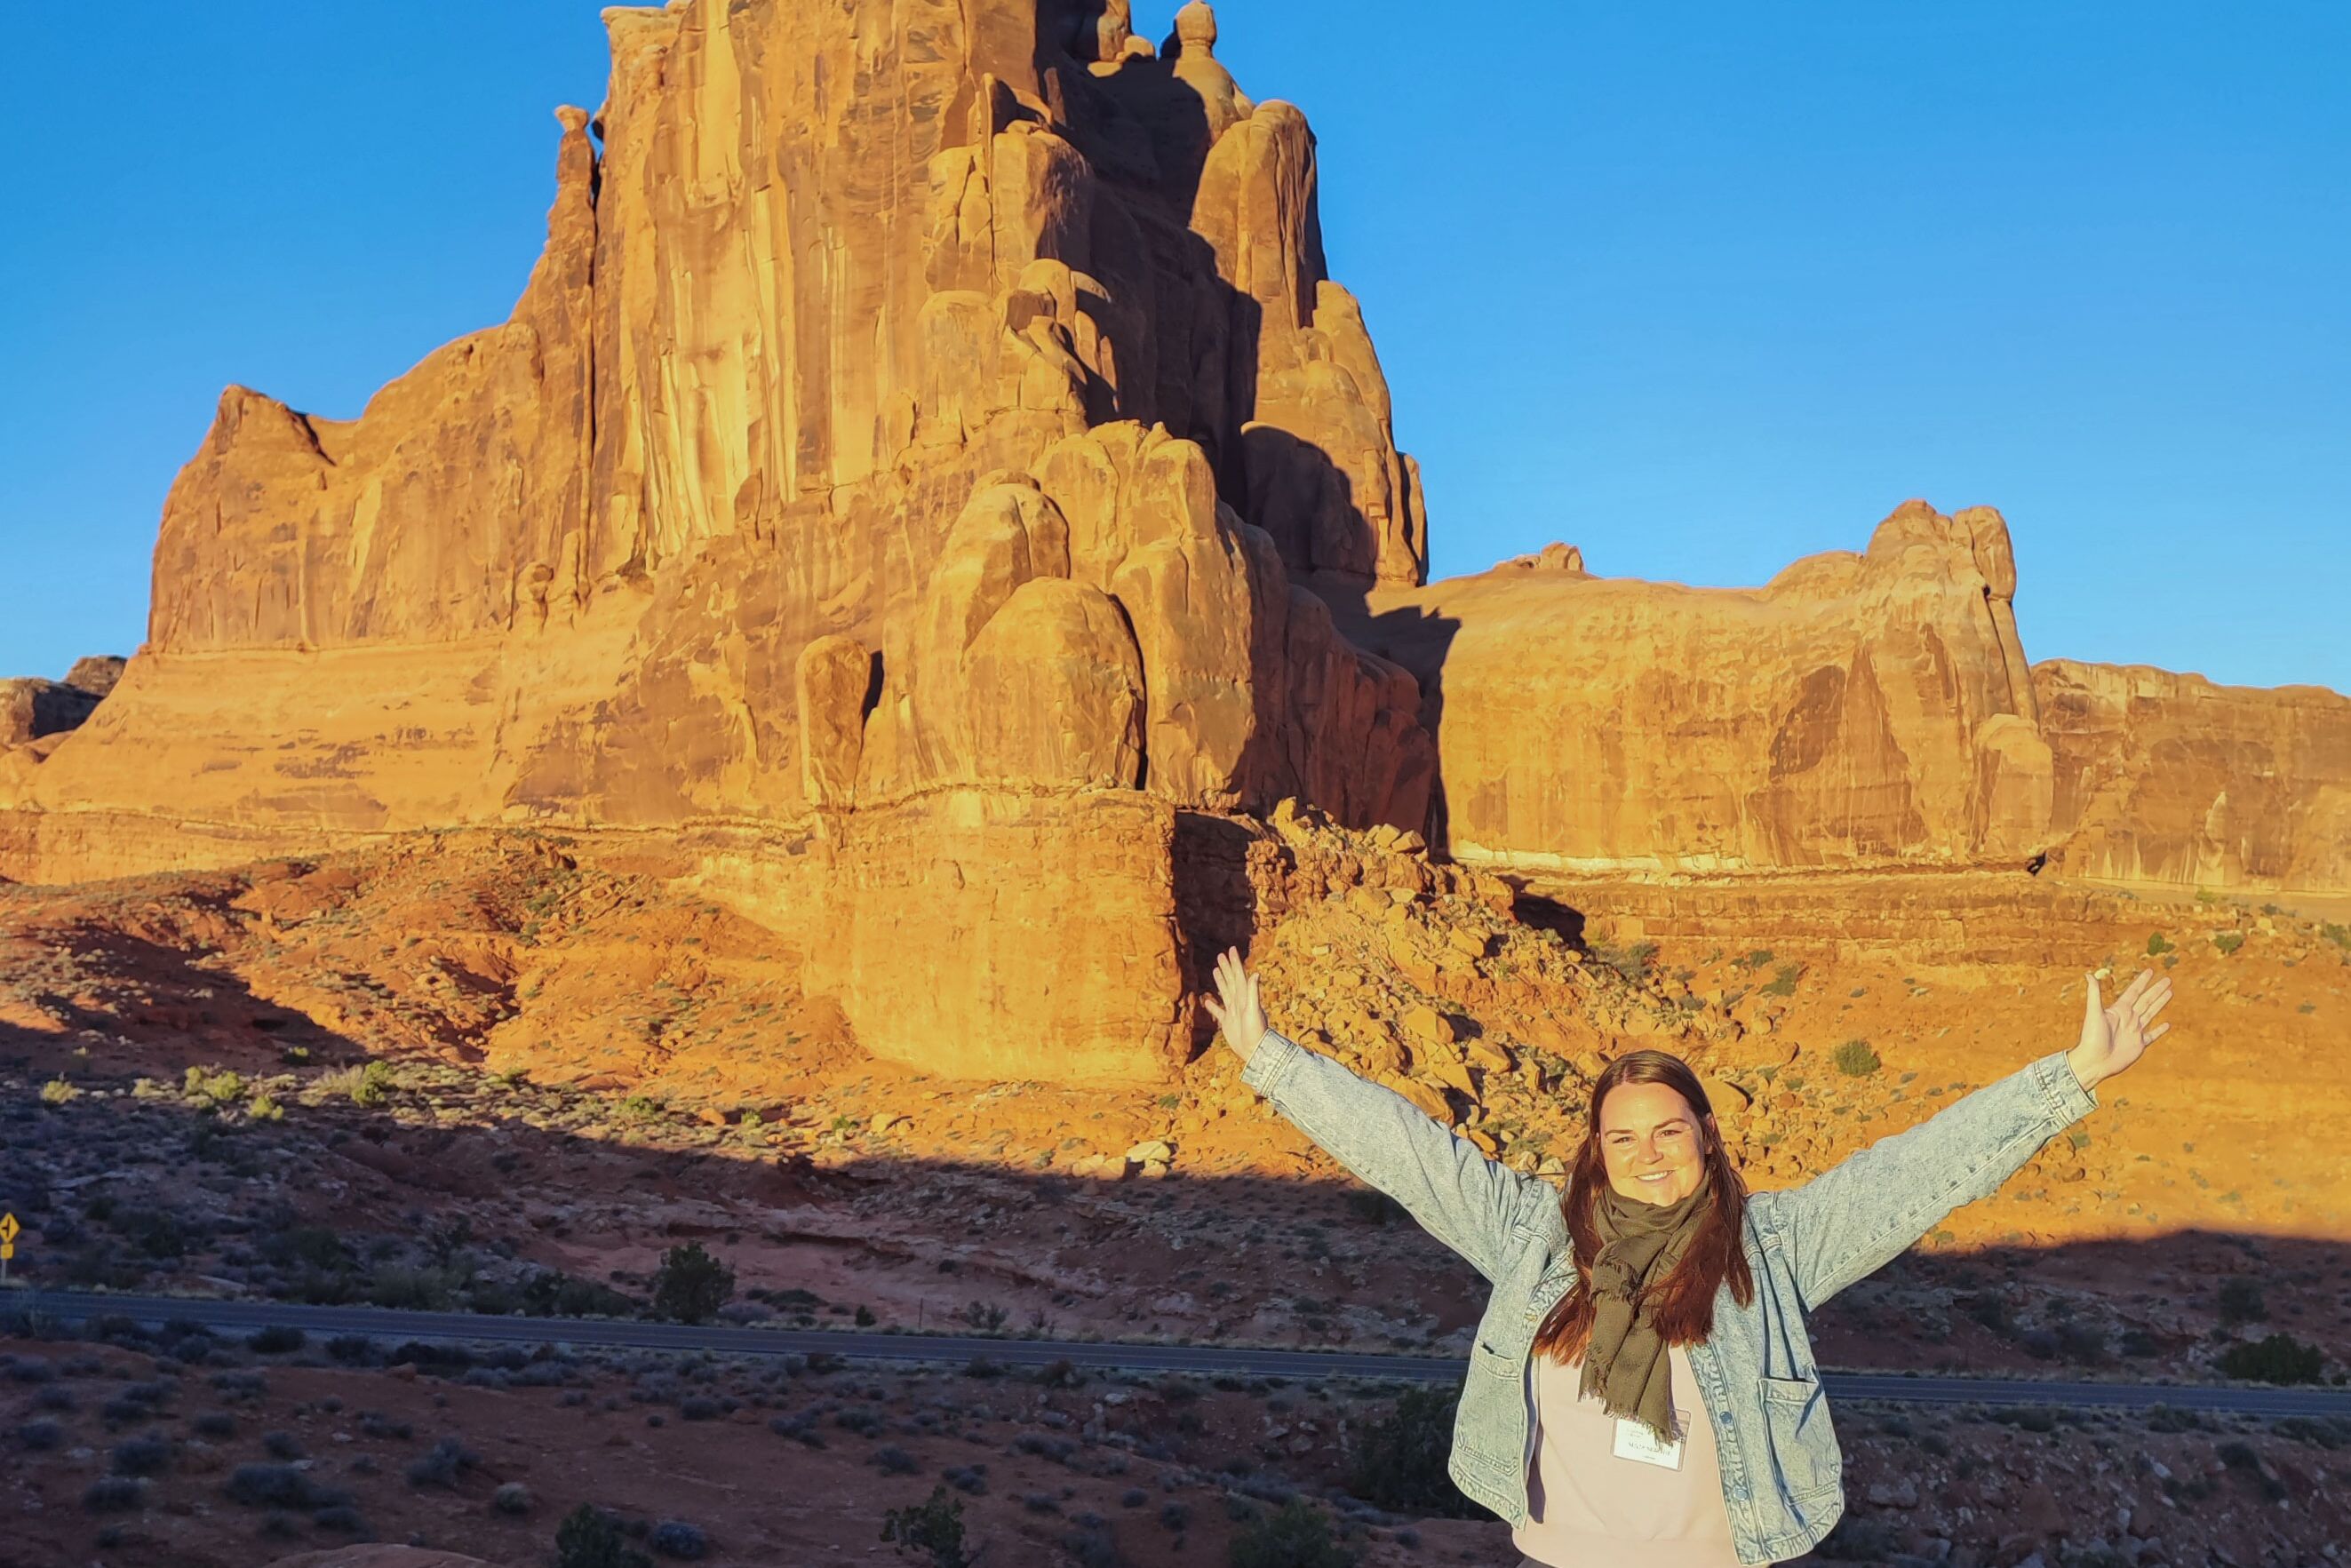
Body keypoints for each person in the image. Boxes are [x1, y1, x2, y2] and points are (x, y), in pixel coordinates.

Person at [1202, 947, 2172, 1566]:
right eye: (1623, 1139)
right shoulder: (1539, 1239)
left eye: (1668, 1131)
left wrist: (2072, 1075)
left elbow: (1915, 1174)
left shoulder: (1774, 1249)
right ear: (1597, 1151)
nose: (1648, 1155)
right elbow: (1416, 1156)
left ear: (1707, 1133)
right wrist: (1269, 1058)